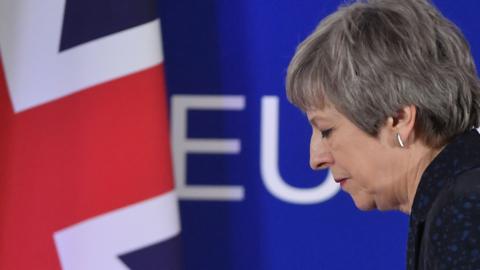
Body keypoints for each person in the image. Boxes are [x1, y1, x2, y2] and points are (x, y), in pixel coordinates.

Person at [286, 0, 480, 269]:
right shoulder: (453, 200)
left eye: (327, 130)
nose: (315, 158)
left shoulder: (465, 208)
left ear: (399, 120)